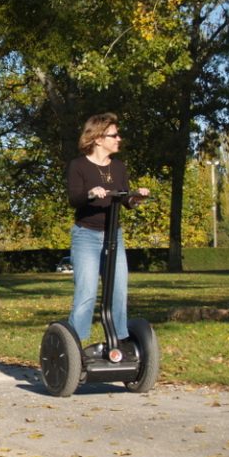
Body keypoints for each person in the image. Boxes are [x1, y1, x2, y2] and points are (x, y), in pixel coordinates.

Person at [66, 112, 149, 357]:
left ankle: (120, 341)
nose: (118, 139)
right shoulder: (78, 166)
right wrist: (91, 193)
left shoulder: (119, 167)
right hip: (86, 236)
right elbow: (75, 199)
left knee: (119, 290)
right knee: (86, 292)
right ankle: (75, 348)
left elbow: (126, 201)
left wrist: (136, 198)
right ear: (98, 138)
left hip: (114, 236)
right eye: (114, 135)